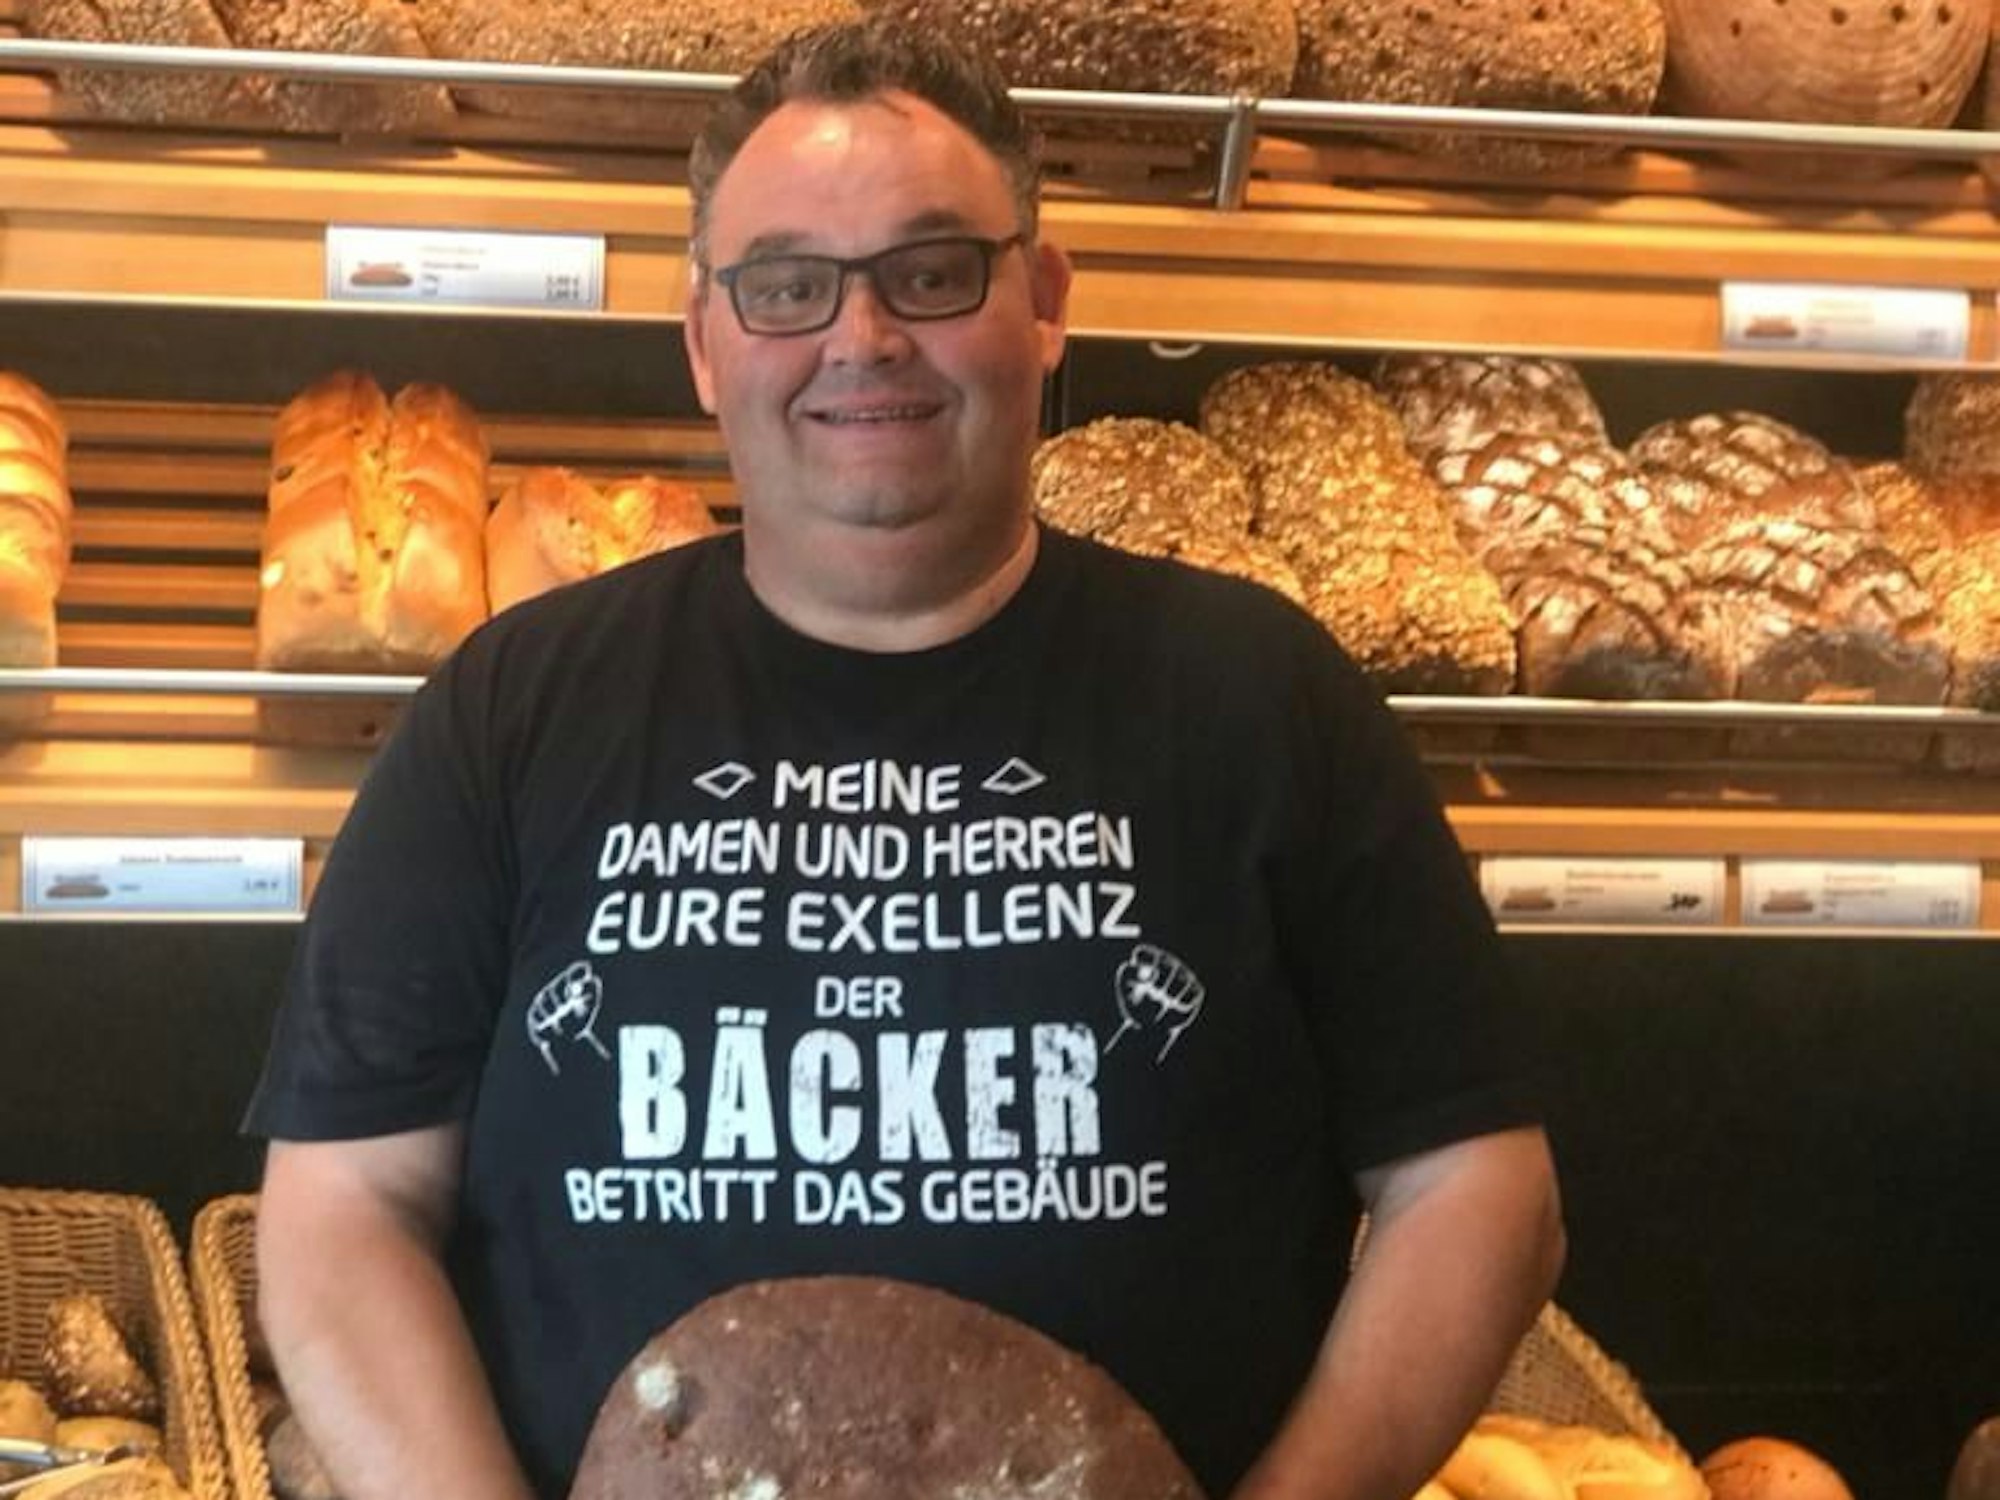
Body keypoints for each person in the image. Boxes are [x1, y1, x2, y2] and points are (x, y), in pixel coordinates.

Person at [245, 20, 1565, 1500]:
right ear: (703, 342)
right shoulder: (515, 706)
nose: (862, 339)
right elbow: (344, 1202)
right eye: (788, 287)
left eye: (932, 273)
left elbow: (1478, 1186)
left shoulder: (1260, 696)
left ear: (1045, 302)